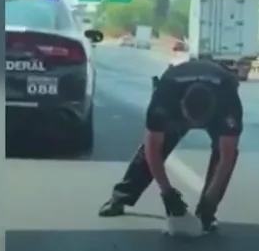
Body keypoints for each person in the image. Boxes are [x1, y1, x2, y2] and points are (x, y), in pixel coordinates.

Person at [98, 59, 243, 232]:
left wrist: (209, 199)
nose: (193, 127)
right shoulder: (164, 99)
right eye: (189, 122)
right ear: (181, 106)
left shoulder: (228, 102)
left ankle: (207, 212)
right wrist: (167, 193)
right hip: (175, 87)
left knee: (225, 154)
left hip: (218, 87)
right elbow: (152, 150)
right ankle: (120, 198)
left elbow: (227, 157)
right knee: (153, 149)